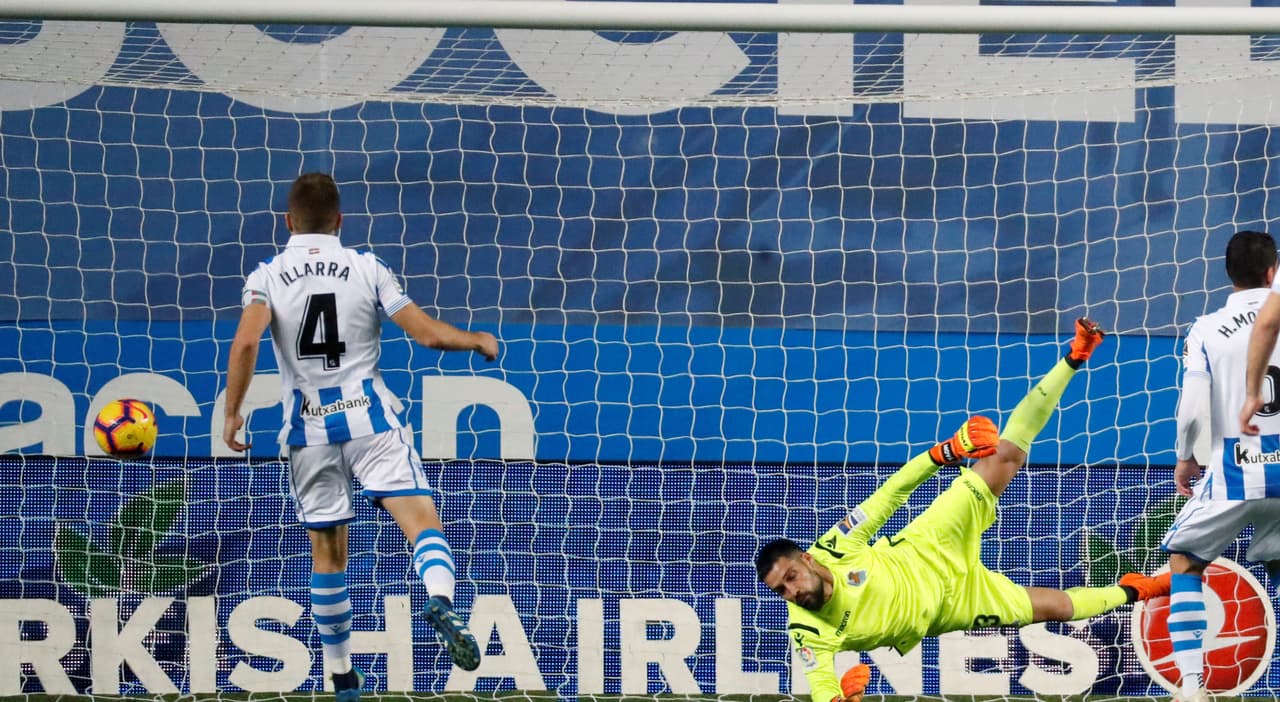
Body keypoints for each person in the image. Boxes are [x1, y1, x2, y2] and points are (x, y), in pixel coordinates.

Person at [756, 319, 1171, 702]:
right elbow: (820, 684)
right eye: (781, 591)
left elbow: (888, 495)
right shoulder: (807, 629)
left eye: (791, 576)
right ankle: (1138, 589)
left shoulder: (836, 544)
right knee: (1057, 607)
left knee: (1004, 457)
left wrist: (945, 453)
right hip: (955, 606)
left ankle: (1075, 356)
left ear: (807, 560)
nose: (792, 591)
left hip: (930, 545)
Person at [222, 173, 499, 701]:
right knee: (421, 523)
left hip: (308, 430)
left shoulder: (268, 275)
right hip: (371, 421)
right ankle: (440, 599)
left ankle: (342, 676)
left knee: (327, 553)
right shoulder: (366, 267)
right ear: (341, 221)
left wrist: (232, 413)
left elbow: (244, 344)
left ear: (288, 221)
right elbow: (429, 336)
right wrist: (477, 340)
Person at [1162, 230, 1280, 702]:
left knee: (1185, 561)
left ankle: (1192, 687)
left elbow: (1192, 408)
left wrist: (1185, 457)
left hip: (1234, 470)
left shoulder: (1207, 328)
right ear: (1272, 271)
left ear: (1227, 274)